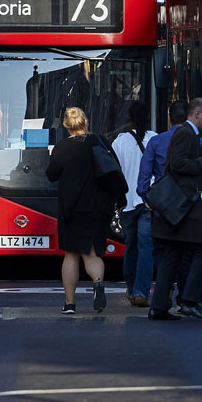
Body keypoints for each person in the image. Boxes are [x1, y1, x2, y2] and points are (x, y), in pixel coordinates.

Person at [145, 98, 202, 321]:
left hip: (176, 206)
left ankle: (158, 307)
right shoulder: (187, 134)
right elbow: (177, 164)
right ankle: (190, 301)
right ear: (196, 114)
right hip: (185, 204)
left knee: (173, 254)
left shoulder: (184, 133)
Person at [46, 107, 126, 314]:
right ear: (85, 122)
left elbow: (51, 174)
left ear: (66, 125)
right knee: (92, 254)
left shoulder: (62, 148)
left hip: (71, 209)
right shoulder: (99, 141)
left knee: (71, 254)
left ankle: (70, 304)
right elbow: (113, 170)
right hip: (98, 207)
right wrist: (121, 199)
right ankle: (98, 282)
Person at [112, 101, 156, 307]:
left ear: (128, 117)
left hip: (126, 202)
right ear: (147, 117)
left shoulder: (118, 143)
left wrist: (117, 201)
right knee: (146, 246)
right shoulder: (154, 139)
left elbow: (115, 173)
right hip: (148, 202)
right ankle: (142, 291)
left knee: (131, 246)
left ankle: (130, 288)